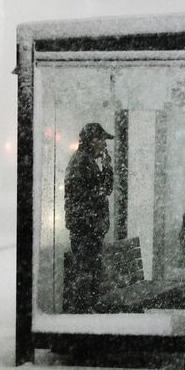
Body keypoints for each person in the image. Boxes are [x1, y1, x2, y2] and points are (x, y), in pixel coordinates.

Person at [63, 122, 114, 313]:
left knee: (91, 274)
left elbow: (104, 190)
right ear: (92, 141)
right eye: (102, 140)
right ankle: (85, 314)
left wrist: (107, 166)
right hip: (86, 231)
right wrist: (92, 223)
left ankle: (88, 310)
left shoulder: (87, 162)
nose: (104, 145)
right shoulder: (81, 162)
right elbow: (97, 193)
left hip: (90, 230)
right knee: (86, 275)